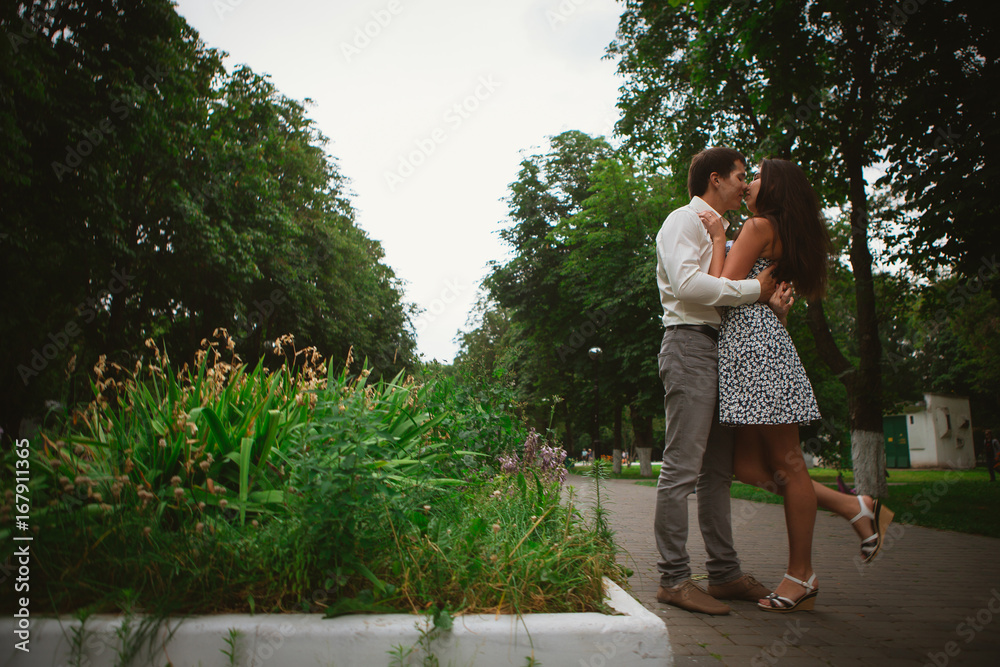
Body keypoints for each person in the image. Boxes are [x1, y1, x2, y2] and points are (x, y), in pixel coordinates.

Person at [698, 158, 895, 613]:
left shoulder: (758, 225)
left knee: (790, 466)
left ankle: (801, 575)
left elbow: (720, 287)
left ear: (777, 186)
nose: (748, 181)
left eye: (758, 174)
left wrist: (720, 237)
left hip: (757, 354)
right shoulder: (777, 229)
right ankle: (856, 508)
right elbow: (752, 291)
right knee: (748, 467)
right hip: (751, 353)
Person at [653, 147, 780, 615]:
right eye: (740, 176)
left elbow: (721, 291)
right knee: (681, 469)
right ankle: (673, 579)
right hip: (688, 345)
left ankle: (724, 575)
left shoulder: (726, 231)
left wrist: (766, 301)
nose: (746, 184)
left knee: (716, 474)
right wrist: (753, 290)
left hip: (719, 349)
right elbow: (688, 286)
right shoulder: (682, 221)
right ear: (715, 179)